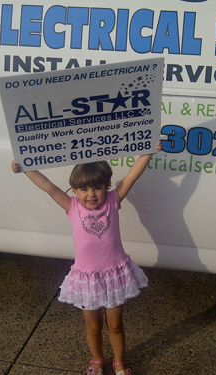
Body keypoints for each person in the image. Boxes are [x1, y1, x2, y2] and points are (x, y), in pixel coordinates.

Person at [11, 142, 161, 375]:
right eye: (84, 189)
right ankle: (98, 360)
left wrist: (148, 152)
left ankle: (119, 362)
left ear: (107, 187)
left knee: (115, 324)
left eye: (97, 188)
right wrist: (25, 168)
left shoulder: (113, 201)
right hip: (86, 278)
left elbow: (132, 176)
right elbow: (48, 187)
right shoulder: (71, 206)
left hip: (115, 274)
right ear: (74, 190)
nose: (91, 194)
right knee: (93, 326)